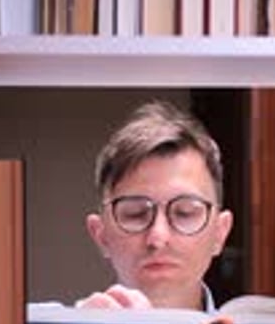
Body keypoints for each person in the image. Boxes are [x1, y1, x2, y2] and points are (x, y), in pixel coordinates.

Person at [76, 100, 233, 312]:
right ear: (100, 235)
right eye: (136, 214)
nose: (158, 238)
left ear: (220, 233)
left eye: (184, 213)